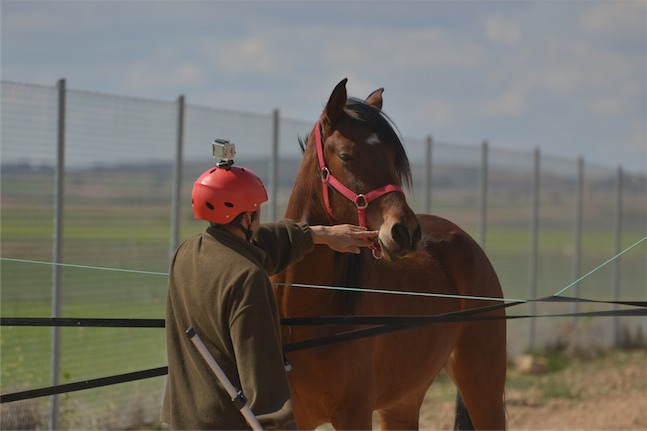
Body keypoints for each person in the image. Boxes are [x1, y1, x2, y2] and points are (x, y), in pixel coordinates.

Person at [161, 160, 377, 430]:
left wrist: (320, 234)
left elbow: (258, 244)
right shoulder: (247, 278)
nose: (260, 218)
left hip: (188, 419)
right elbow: (262, 376)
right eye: (257, 211)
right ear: (247, 217)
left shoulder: (187, 252)